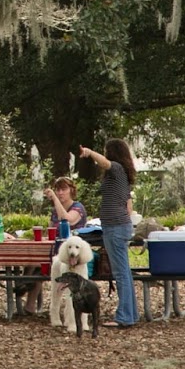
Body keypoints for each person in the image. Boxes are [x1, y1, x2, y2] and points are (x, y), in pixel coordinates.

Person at [80, 138, 138, 328]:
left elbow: (104, 163)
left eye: (106, 151)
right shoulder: (122, 176)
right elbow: (129, 206)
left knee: (121, 274)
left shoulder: (116, 169)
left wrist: (89, 152)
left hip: (115, 227)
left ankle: (124, 317)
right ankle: (131, 314)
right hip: (118, 225)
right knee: (125, 273)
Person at [20, 176, 87, 316]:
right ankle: (27, 296)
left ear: (71, 190)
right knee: (32, 262)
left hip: (71, 254)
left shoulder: (78, 207)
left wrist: (55, 199)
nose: (60, 193)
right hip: (54, 250)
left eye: (64, 189)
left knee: (37, 267)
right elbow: (51, 231)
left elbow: (68, 220)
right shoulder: (55, 211)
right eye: (58, 190)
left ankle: (23, 285)